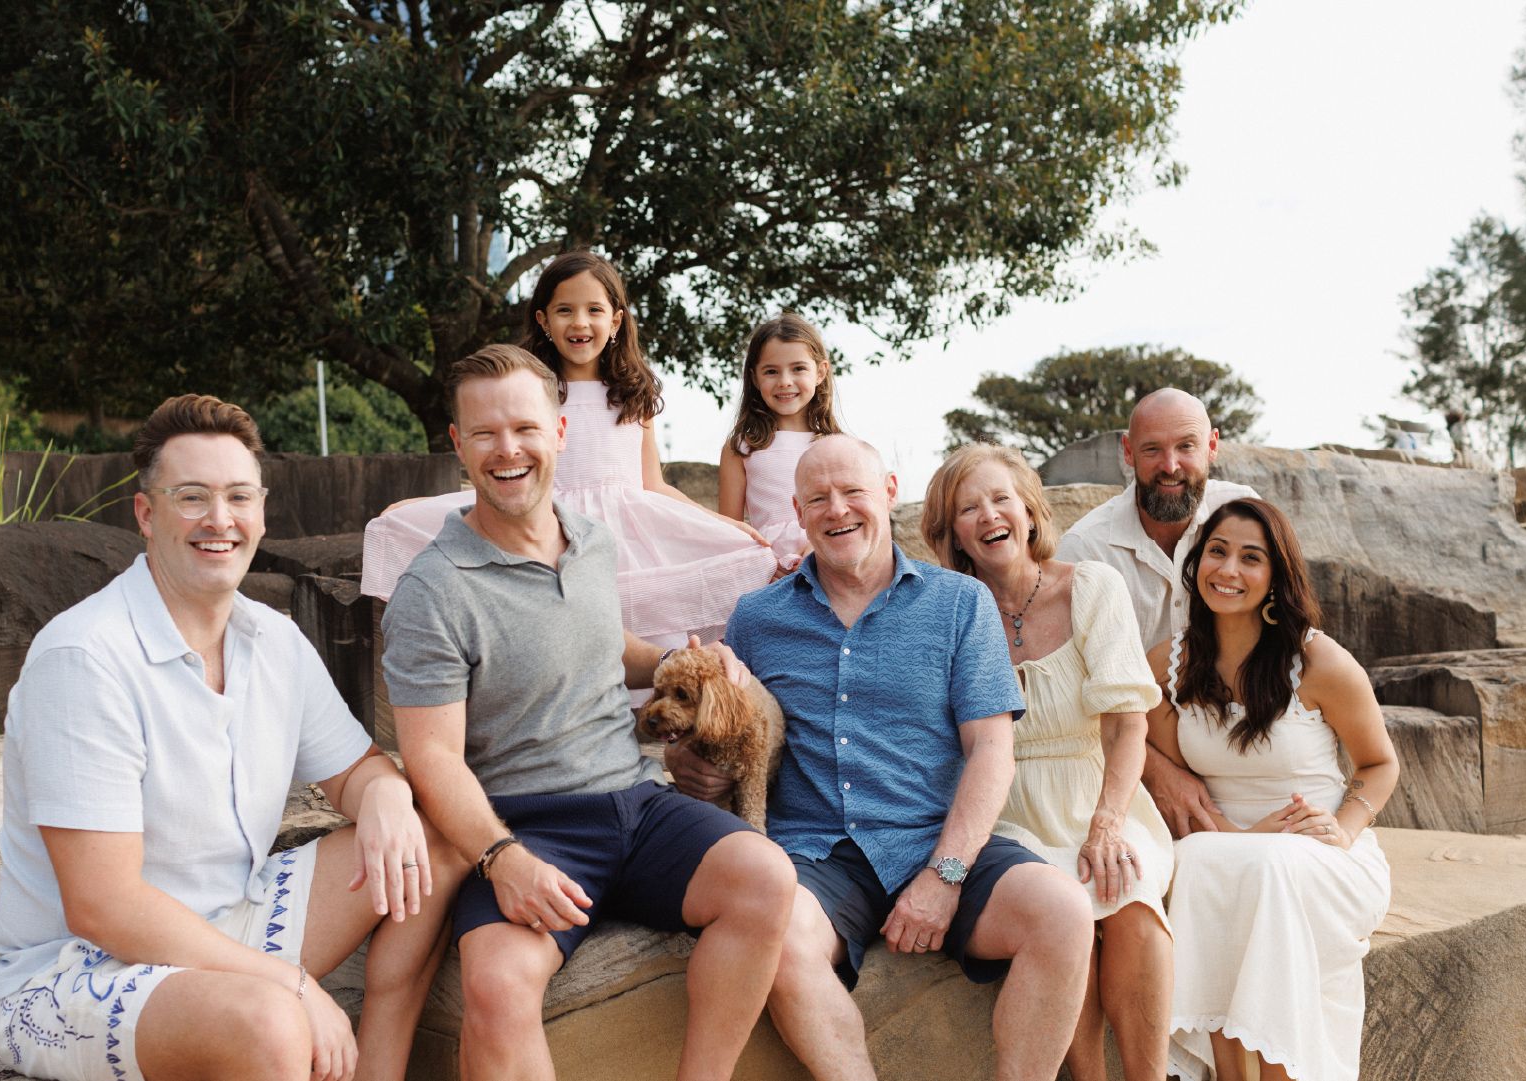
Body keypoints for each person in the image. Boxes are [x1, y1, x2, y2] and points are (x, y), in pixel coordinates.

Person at [0, 394, 461, 1081]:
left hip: (229, 920)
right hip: (81, 969)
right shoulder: (84, 657)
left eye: (239, 496)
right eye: (192, 497)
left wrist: (385, 794)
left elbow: (356, 769)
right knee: (272, 1022)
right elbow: (103, 906)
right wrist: (291, 983)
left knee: (435, 837)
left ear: (261, 511)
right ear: (146, 514)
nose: (220, 519)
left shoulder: (273, 640)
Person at [383, 344, 796, 1081]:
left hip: (635, 804)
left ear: (561, 432)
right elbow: (431, 756)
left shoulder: (593, 542)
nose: (507, 449)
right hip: (525, 825)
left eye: (525, 428)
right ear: (458, 444)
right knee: (496, 985)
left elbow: (606, 643)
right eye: (484, 433)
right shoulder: (432, 590)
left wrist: (676, 664)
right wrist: (502, 859)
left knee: (765, 876)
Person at [675, 434, 1095, 1081]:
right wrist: (692, 764)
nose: (838, 509)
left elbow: (991, 749)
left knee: (1063, 912)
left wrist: (945, 875)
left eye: (853, 492)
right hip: (814, 854)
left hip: (935, 836)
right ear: (798, 511)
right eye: (819, 498)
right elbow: (729, 737)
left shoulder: (960, 603)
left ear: (889, 493)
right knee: (776, 937)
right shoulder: (757, 617)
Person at [918, 442, 1175, 1081]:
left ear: (1030, 510)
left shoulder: (1092, 586)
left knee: (1132, 899)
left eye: (1000, 499)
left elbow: (1128, 724)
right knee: (1065, 915)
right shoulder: (947, 612)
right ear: (953, 534)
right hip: (1004, 812)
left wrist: (1107, 823)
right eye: (968, 509)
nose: (988, 516)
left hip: (1098, 794)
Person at [361, 250, 774, 645]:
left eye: (594, 310)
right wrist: (430, 506)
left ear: (615, 320)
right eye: (565, 310)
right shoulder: (531, 392)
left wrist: (723, 524)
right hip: (548, 529)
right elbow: (514, 472)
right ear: (543, 319)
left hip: (625, 541)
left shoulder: (634, 396)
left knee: (646, 647)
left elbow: (653, 485)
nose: (580, 322)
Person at [1145, 498, 1397, 1081]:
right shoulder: (1169, 665)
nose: (1228, 570)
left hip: (1318, 850)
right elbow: (1142, 751)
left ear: (1276, 576)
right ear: (1197, 564)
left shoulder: (1318, 661)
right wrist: (1237, 833)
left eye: (1251, 558)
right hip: (1225, 843)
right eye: (1217, 551)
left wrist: (1345, 829)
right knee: (1199, 861)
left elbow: (1380, 763)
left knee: (1267, 867)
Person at [1057, 388, 1259, 838]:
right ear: (1128, 452)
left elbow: (1284, 634)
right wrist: (1157, 774)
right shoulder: (1085, 550)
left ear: (1212, 445)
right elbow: (1074, 700)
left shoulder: (1245, 514)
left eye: (1186, 446)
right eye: (1152, 450)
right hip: (1129, 761)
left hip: (1242, 744)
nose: (1170, 466)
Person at [717, 311, 845, 571]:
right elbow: (729, 531)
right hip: (769, 571)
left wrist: (817, 553)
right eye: (771, 371)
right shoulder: (741, 448)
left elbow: (843, 514)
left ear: (820, 372)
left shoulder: (838, 446)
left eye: (798, 368)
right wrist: (763, 567)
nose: (785, 382)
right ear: (755, 378)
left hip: (829, 562)